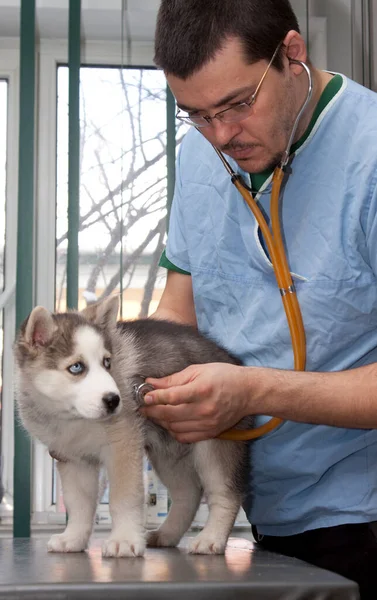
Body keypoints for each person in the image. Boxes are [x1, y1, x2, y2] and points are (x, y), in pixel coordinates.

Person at [142, 1, 377, 597]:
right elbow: (180, 316)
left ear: (292, 54)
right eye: (196, 115)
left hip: (365, 517)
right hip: (266, 517)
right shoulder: (201, 154)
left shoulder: (369, 155)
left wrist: (250, 389)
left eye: (237, 105)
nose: (221, 136)